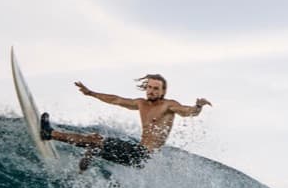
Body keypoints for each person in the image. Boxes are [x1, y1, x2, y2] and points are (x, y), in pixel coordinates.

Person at [40, 73, 212, 171]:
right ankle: (83, 166)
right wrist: (91, 93)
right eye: (149, 87)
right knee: (95, 139)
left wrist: (198, 106)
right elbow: (116, 99)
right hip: (137, 152)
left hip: (143, 155)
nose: (151, 91)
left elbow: (187, 112)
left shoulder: (169, 105)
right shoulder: (141, 103)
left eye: (155, 88)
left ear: (163, 90)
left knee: (96, 141)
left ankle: (49, 134)